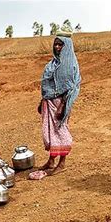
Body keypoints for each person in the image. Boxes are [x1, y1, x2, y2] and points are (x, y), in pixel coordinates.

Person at [33, 33, 81, 179]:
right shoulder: (52, 64)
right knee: (50, 132)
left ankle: (62, 163)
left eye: (61, 44)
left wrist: (63, 106)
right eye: (56, 44)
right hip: (48, 102)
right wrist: (42, 101)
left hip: (61, 103)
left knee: (60, 131)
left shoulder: (70, 65)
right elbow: (47, 85)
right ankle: (51, 160)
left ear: (67, 47)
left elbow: (72, 88)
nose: (58, 47)